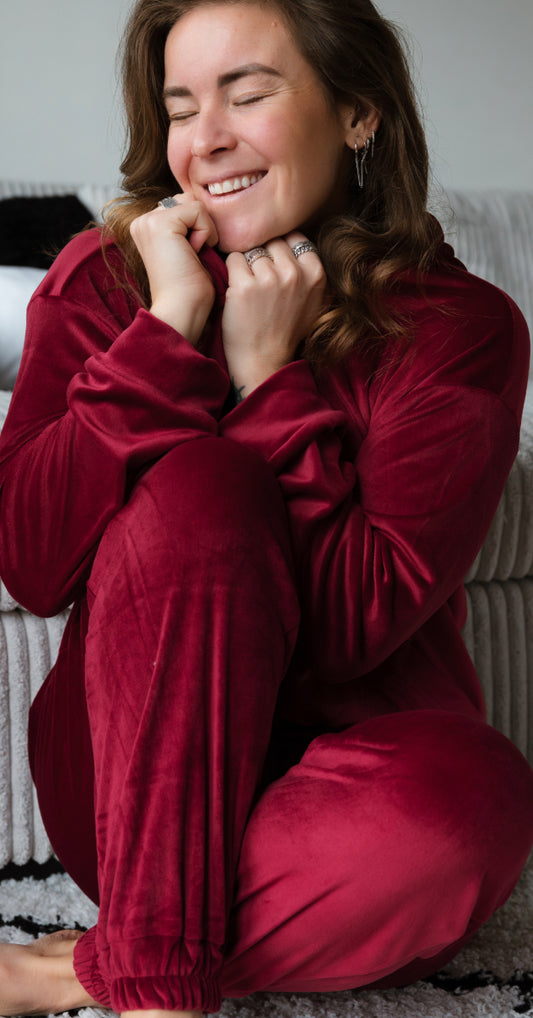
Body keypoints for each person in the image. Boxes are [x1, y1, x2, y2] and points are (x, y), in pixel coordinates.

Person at [0, 0, 532, 1015]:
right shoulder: (110, 284)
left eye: (247, 95)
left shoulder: (458, 330)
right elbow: (29, 557)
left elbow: (349, 631)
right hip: (129, 784)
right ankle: (162, 975)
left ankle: (80, 965)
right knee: (201, 481)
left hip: (345, 797)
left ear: (358, 113)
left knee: (479, 802)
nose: (205, 141)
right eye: (181, 106)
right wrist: (164, 333)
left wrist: (271, 379)